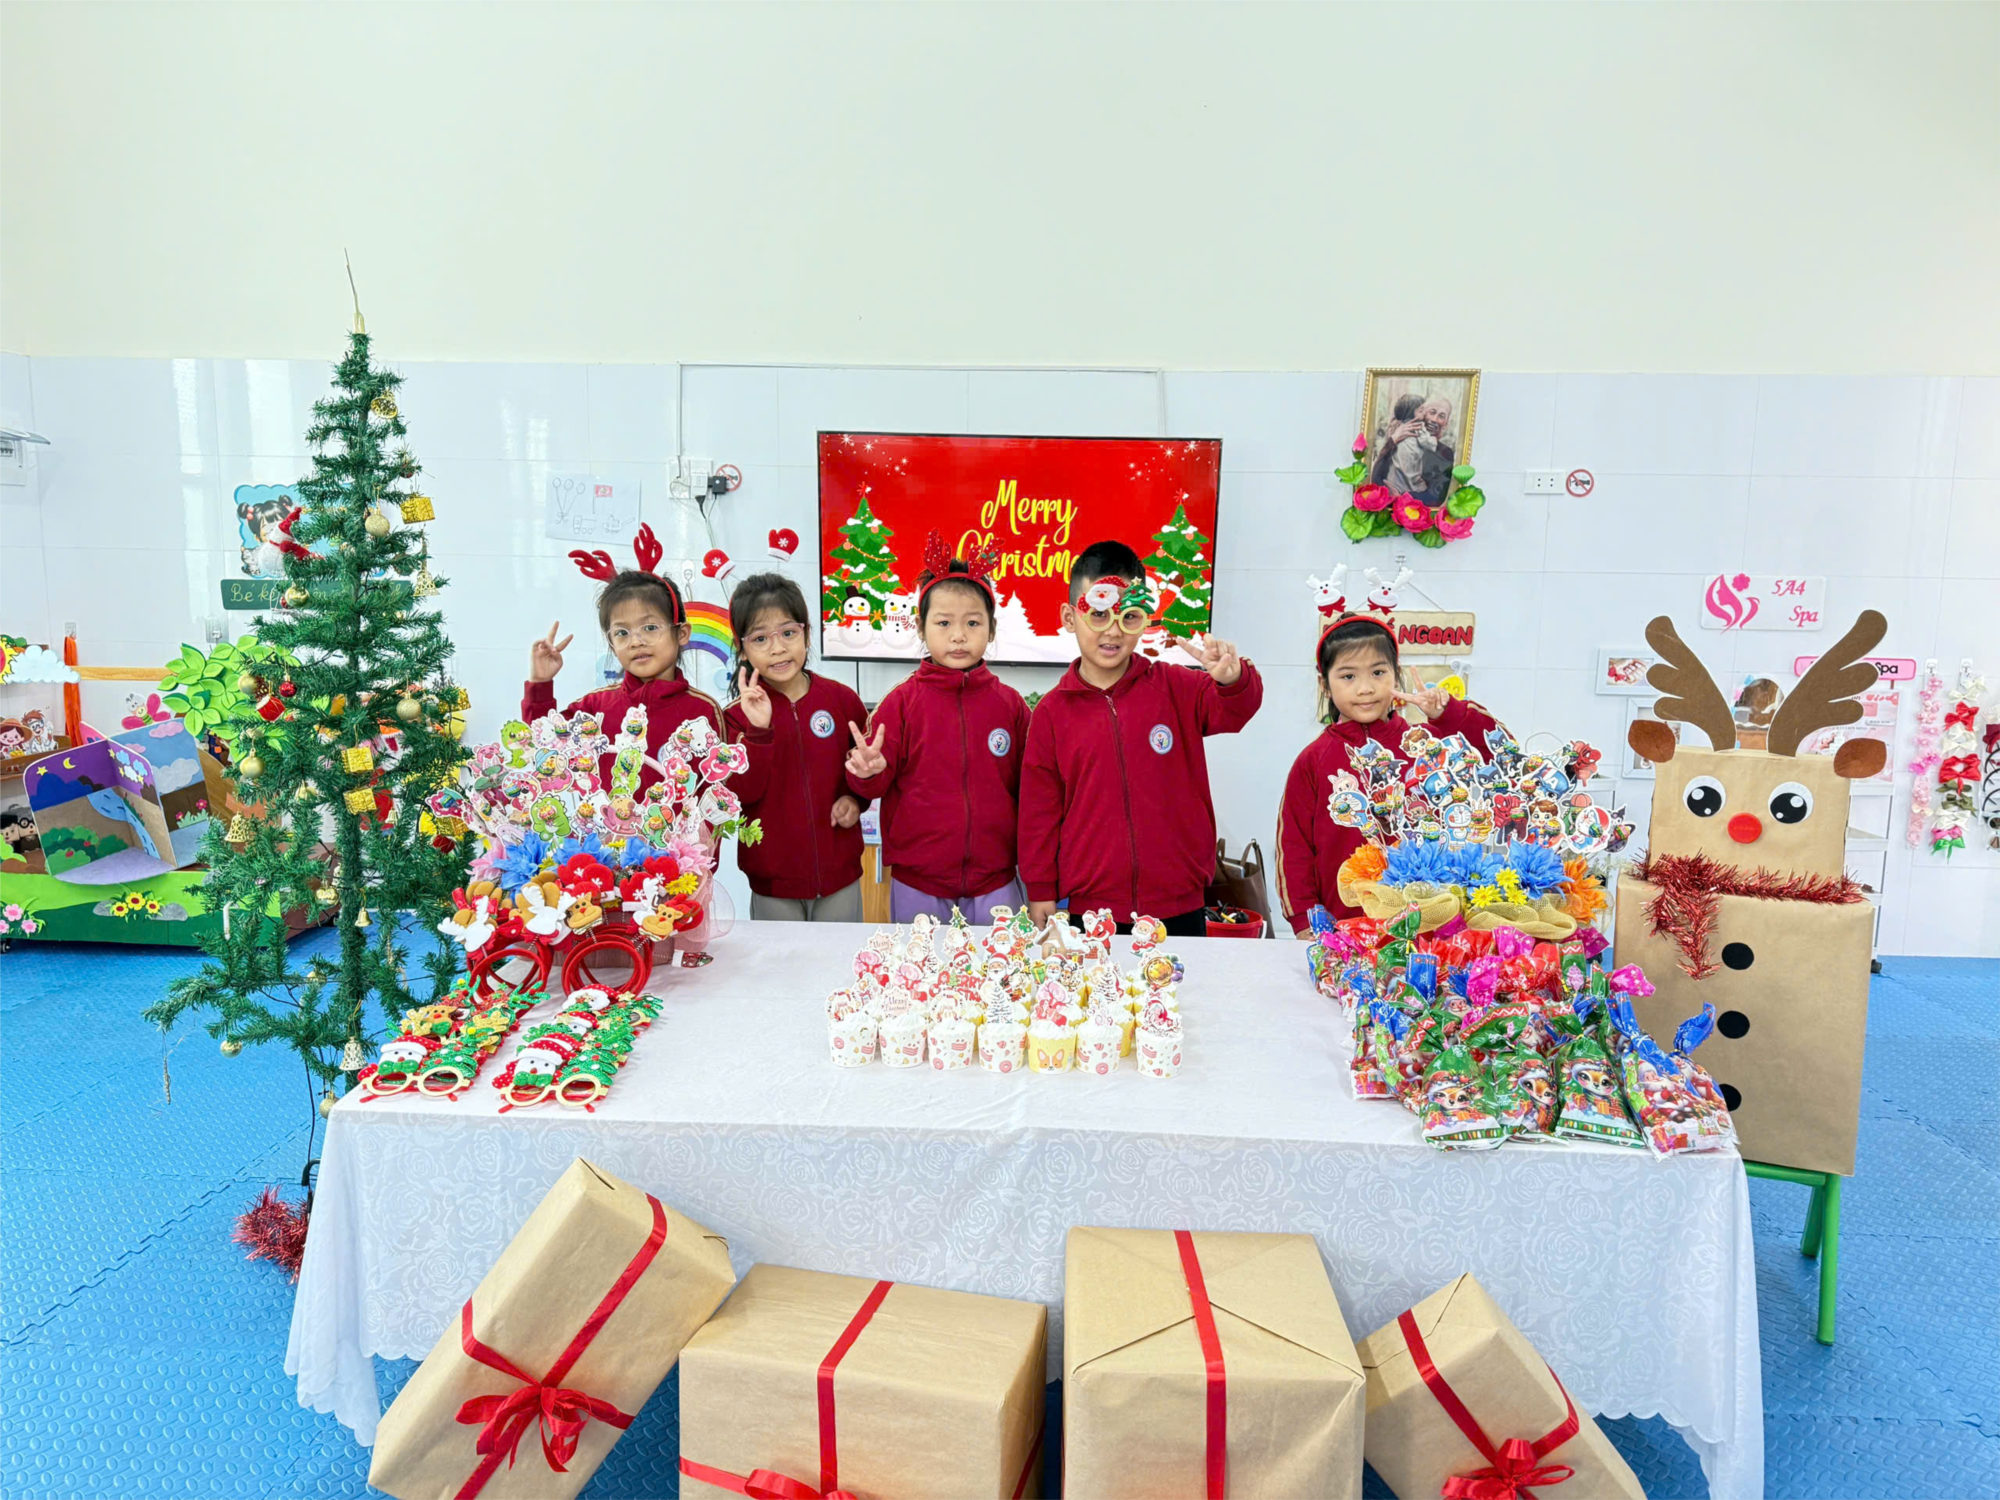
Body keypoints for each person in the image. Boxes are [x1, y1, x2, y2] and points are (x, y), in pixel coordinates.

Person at [1017, 540, 1262, 937]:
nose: (1113, 630)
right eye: (1098, 614)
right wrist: (1040, 889)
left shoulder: (1177, 688)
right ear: (1069, 617)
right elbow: (1038, 813)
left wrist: (1233, 680)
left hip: (1180, 903)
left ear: (1144, 618)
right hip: (1092, 910)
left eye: (1128, 616)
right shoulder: (1051, 713)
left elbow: (1235, 711)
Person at [844, 533, 1030, 924]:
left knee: (1003, 963)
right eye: (943, 623)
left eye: (973, 623)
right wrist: (868, 773)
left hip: (996, 879)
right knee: (921, 964)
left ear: (991, 630)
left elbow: (1032, 788)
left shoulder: (1010, 704)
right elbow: (872, 784)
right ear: (920, 627)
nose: (958, 635)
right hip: (919, 883)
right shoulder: (901, 703)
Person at [1275, 614, 1498, 931]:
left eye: (1378, 672)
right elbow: (1293, 848)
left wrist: (1448, 714)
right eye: (1348, 676)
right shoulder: (1313, 760)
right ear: (1325, 685)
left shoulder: (1427, 744)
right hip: (1345, 930)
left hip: (1430, 926)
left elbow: (1499, 755)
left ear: (1396, 675)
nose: (1365, 688)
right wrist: (1304, 921)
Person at [724, 572, 870, 922]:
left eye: (788, 633)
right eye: (761, 638)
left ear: (806, 633)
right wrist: (759, 732)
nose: (778, 648)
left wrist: (856, 800)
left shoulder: (842, 700)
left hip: (840, 877)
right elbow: (740, 794)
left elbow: (865, 770)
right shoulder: (734, 718)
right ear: (742, 647)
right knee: (779, 960)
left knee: (841, 957)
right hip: (772, 883)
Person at [521, 558, 723, 793]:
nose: (636, 641)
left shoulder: (703, 711)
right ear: (611, 643)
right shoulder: (594, 708)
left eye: (650, 628)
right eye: (622, 633)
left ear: (681, 633)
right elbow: (544, 751)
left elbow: (720, 792)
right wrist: (540, 684)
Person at [1370, 392, 1456, 505]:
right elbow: (1376, 478)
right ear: (1421, 412)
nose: (1435, 419)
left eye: (1441, 416)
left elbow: (1436, 497)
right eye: (1432, 412)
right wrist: (1393, 440)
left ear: (1446, 424)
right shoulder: (1397, 439)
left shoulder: (1445, 453)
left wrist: (1401, 498)